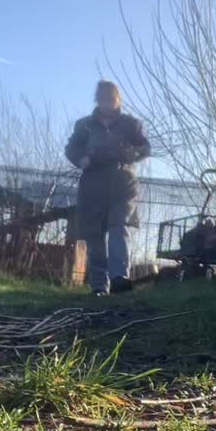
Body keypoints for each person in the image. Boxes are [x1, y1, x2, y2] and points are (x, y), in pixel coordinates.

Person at [65, 81, 150, 295]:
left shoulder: (131, 124)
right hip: (93, 185)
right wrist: (82, 159)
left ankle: (119, 278)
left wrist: (132, 154)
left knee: (118, 227)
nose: (107, 104)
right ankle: (99, 286)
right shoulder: (84, 125)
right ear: (97, 100)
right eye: (103, 99)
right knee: (94, 235)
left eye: (111, 99)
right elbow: (71, 148)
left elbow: (144, 147)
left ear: (118, 100)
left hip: (122, 184)